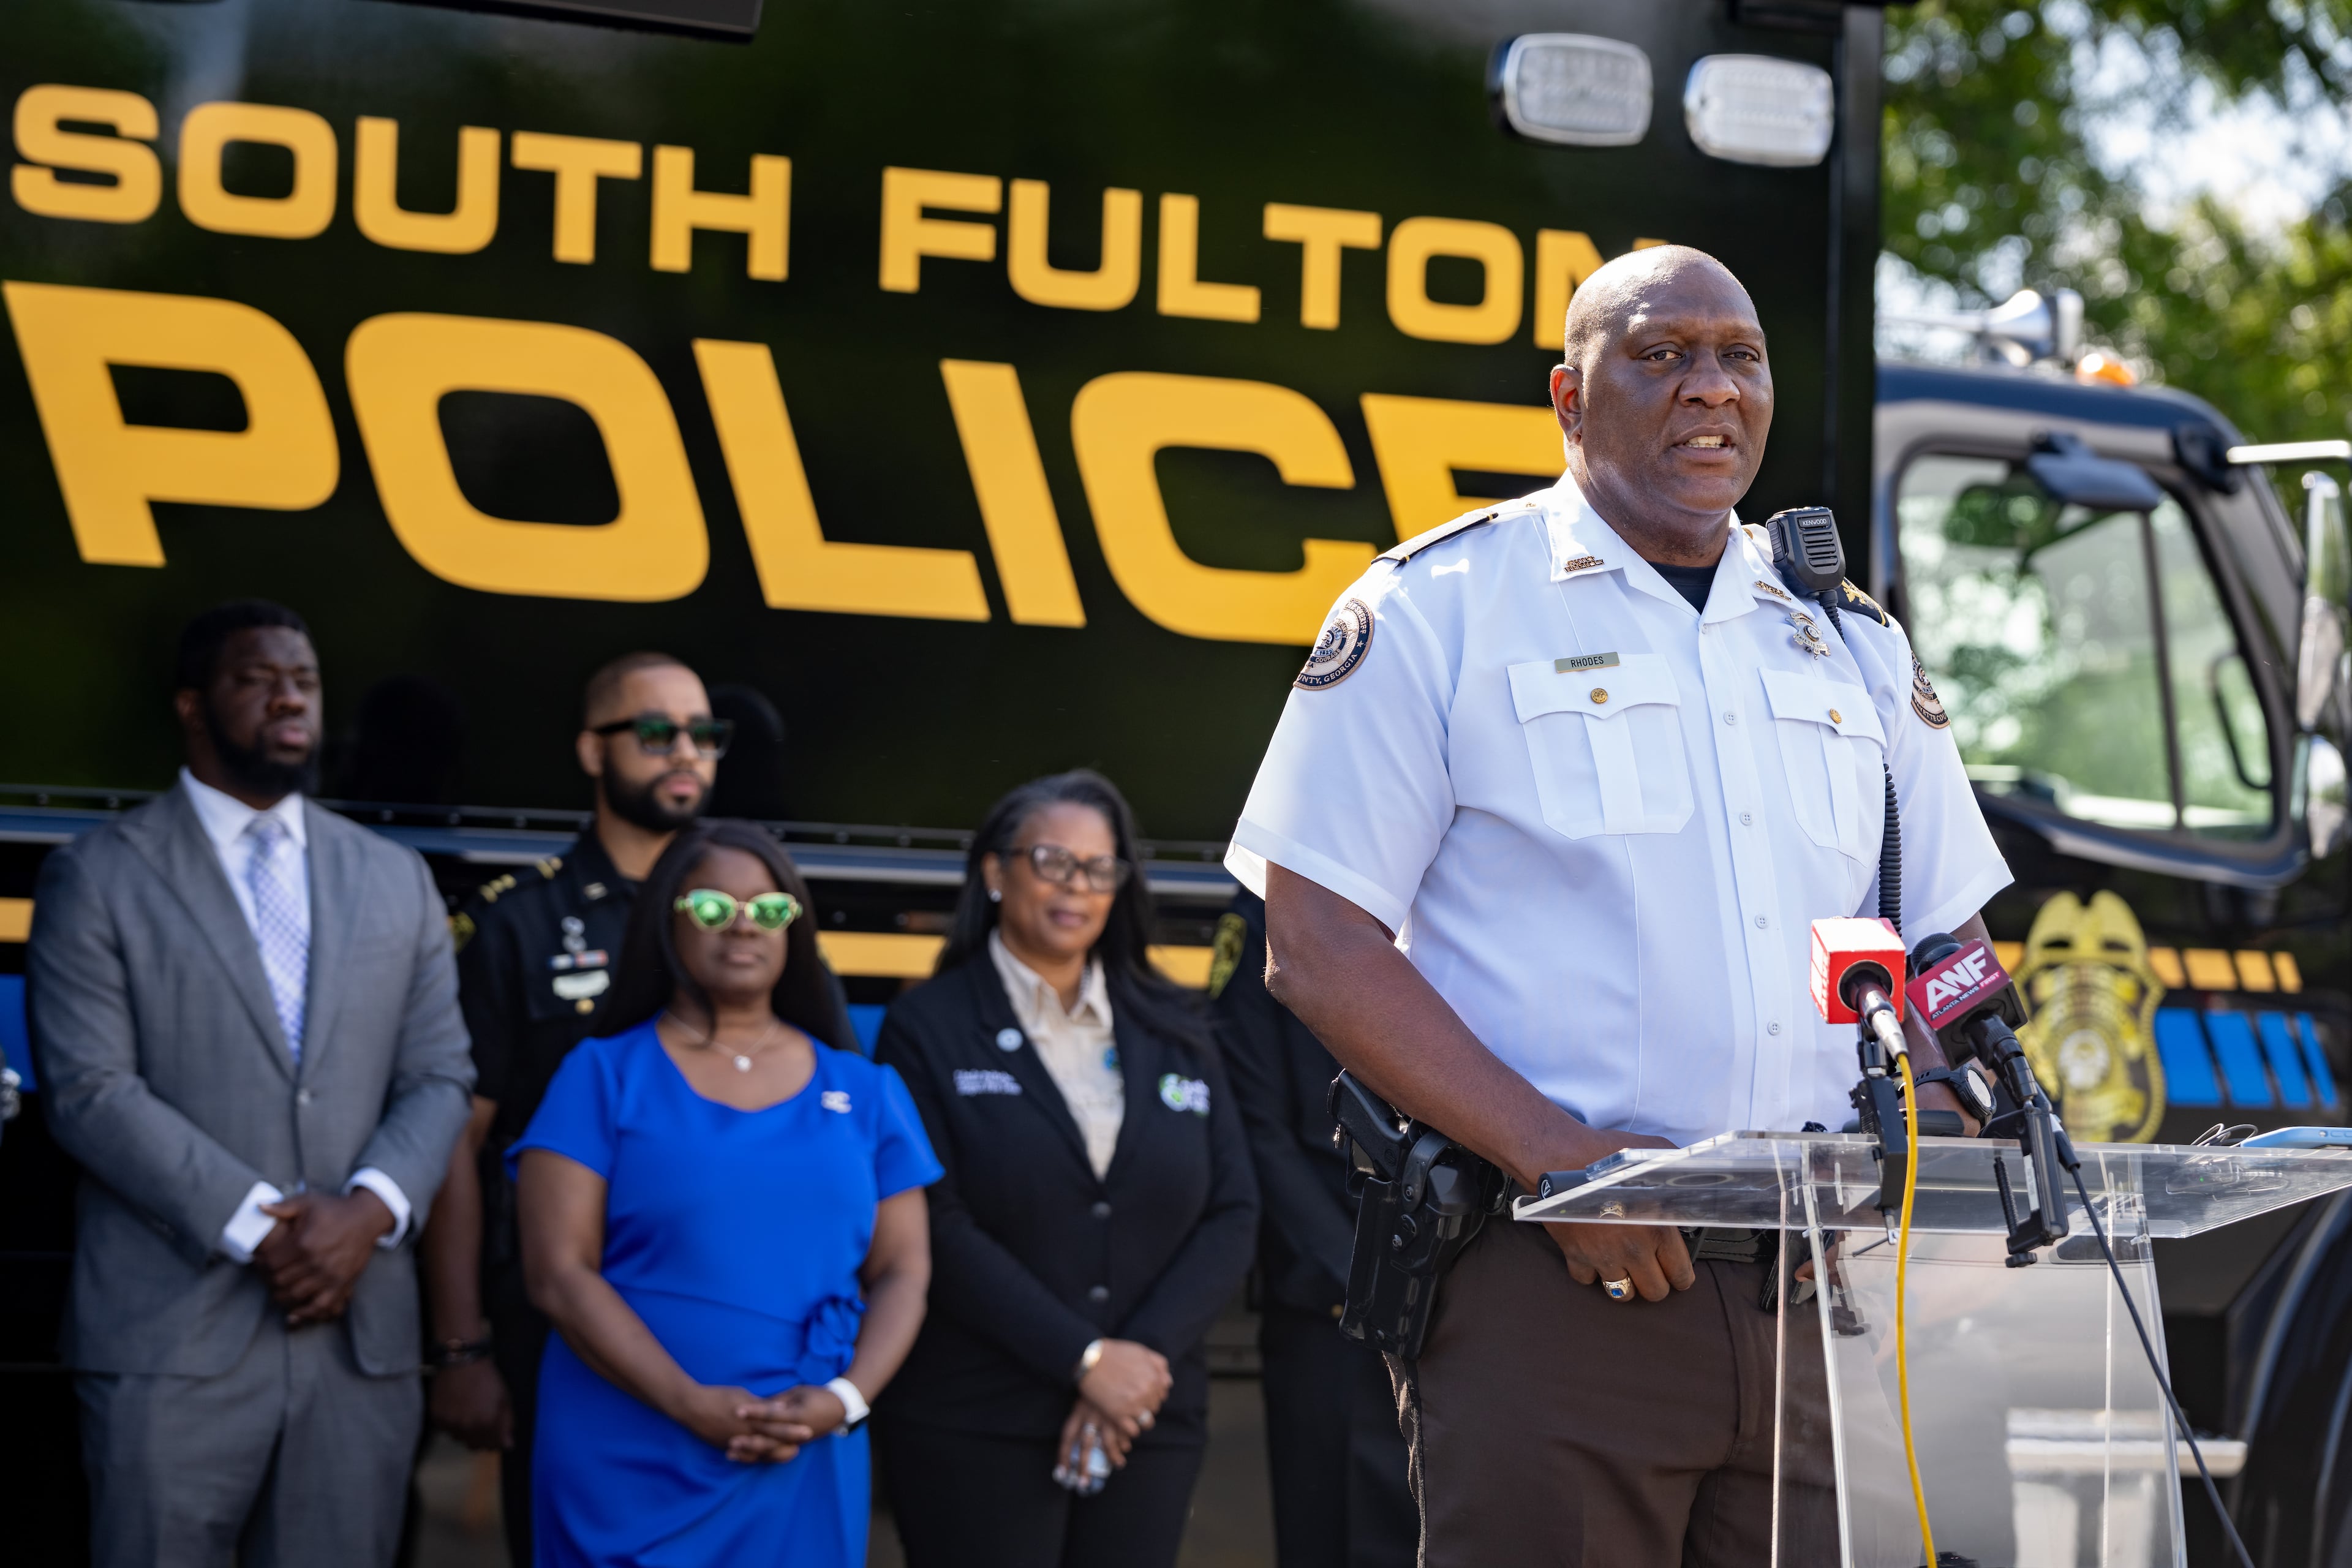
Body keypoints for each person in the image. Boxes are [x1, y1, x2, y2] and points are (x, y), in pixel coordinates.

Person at [1228, 246, 2010, 1565]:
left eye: (1740, 356)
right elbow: (1315, 945)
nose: (1712, 387)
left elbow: (1944, 940)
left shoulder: (1849, 638)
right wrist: (1559, 1155)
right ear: (1569, 398)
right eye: (1663, 354)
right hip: (1559, 1276)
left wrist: (1950, 1106)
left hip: (1816, 1278)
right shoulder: (1441, 607)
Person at [28, 600, 475, 1568]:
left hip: (358, 1345)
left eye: (305, 680)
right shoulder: (97, 877)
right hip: (170, 1341)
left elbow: (442, 1076)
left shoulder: (396, 879)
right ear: (193, 705)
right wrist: (269, 1230)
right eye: (256, 677)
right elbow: (89, 1092)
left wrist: (367, 1213)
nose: (288, 697)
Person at [512, 819, 938, 1566]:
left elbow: (905, 1269)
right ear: (666, 921)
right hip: (628, 1451)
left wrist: (844, 1401)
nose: (743, 926)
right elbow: (558, 1273)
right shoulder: (602, 1074)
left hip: (802, 1449)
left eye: (769, 910)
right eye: (712, 907)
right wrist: (686, 1400)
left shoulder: (864, 1089)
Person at [873, 771, 1259, 1568]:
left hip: (1147, 1419)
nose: (1075, 885)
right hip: (980, 1417)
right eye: (1051, 860)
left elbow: (1233, 1211)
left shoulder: (1176, 1027)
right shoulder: (927, 1026)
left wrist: (1135, 1367)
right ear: (994, 872)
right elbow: (936, 1224)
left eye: (1098, 867)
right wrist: (1085, 1362)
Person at [420, 651, 726, 1565]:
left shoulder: (754, 919)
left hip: (728, 1317)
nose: (686, 752)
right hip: (558, 1326)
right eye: (657, 731)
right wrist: (462, 1349)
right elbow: (457, 1146)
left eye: (704, 734)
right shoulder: (514, 922)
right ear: (594, 752)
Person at [1208, 890, 1416, 1568]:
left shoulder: (1476, 890)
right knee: (1334, 1533)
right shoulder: (1268, 906)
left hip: (1465, 1282)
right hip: (1333, 1296)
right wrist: (1366, 1280)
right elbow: (1251, 1124)